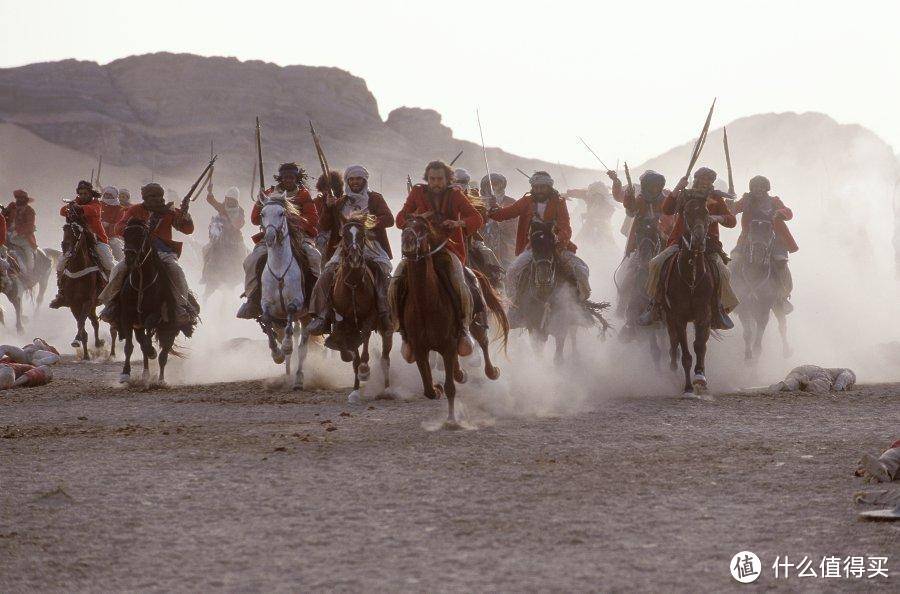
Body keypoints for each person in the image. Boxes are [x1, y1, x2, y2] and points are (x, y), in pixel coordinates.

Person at [390, 160, 483, 360]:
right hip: (420, 252)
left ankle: (464, 326)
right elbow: (399, 220)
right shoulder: (417, 193)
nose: (436, 183)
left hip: (448, 249)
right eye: (432, 179)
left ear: (447, 179)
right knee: (396, 279)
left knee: (461, 282)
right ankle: (403, 330)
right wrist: (416, 217)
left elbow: (476, 218)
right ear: (427, 179)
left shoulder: (456, 195)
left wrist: (459, 222)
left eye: (440, 179)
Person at [639, 167, 738, 329]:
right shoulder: (685, 194)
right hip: (681, 241)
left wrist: (716, 218)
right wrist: (678, 187)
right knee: (656, 263)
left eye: (709, 180)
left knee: (724, 272)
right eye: (702, 179)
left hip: (708, 245)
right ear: (696, 179)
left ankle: (718, 309)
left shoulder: (716, 198)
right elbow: (667, 209)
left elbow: (732, 221)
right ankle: (655, 303)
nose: (705, 182)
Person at [489, 171, 591, 325]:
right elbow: (507, 213)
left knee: (581, 269)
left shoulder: (559, 202)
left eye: (543, 187)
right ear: (532, 187)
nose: (539, 190)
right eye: (536, 187)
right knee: (511, 272)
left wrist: (558, 238)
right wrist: (493, 210)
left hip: (557, 247)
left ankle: (581, 306)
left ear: (549, 186)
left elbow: (566, 227)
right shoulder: (526, 201)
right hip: (534, 247)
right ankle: (515, 307)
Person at [307, 165, 394, 335]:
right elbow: (323, 225)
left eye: (358, 179)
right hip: (345, 246)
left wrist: (368, 222)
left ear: (364, 181)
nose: (355, 182)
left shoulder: (375, 198)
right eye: (352, 179)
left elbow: (389, 219)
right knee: (326, 274)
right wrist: (328, 207)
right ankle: (321, 315)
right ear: (347, 181)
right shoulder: (340, 202)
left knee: (383, 274)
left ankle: (385, 313)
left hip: (372, 245)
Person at [98, 182, 197, 324]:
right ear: (145, 198)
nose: (156, 199)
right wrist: (134, 228)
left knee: (177, 271)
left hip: (162, 251)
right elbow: (119, 227)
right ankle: (111, 303)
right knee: (118, 269)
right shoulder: (135, 209)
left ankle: (180, 307)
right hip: (139, 251)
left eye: (158, 196)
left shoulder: (169, 211)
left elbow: (187, 230)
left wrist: (185, 216)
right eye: (152, 197)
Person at [237, 162, 321, 319]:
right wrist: (260, 203)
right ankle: (253, 299)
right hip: (271, 236)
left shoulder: (303, 195)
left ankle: (316, 299)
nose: (288, 180)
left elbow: (313, 219)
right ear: (280, 178)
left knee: (314, 256)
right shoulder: (268, 193)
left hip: (299, 236)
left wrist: (291, 218)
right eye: (285, 177)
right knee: (250, 261)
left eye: (291, 177)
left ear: (296, 178)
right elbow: (255, 219)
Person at [728, 175, 798, 314]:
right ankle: (728, 295)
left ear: (766, 188)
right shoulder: (746, 200)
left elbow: (788, 213)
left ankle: (782, 296)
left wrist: (780, 213)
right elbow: (732, 211)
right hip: (748, 240)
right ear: (751, 188)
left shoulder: (774, 201)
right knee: (733, 262)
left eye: (761, 186)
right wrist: (730, 202)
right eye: (755, 186)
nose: (758, 189)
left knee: (781, 263)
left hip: (774, 240)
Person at [49, 181, 116, 309]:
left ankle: (112, 293)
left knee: (109, 263)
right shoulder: (76, 202)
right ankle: (61, 293)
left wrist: (79, 208)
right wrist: (72, 205)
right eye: (80, 193)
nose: (83, 195)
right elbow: (63, 211)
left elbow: (92, 210)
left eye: (85, 193)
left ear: (90, 193)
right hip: (77, 241)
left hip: (97, 240)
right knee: (61, 263)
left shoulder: (96, 204)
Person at [480, 173, 517, 268]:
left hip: (506, 247)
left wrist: (497, 211)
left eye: (495, 184)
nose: (492, 187)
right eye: (488, 185)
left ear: (502, 186)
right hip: (483, 243)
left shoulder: (511, 202)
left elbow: (514, 226)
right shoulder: (478, 203)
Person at [566, 180, 616, 250]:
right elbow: (578, 193)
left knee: (610, 244)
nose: (597, 198)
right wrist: (568, 194)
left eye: (599, 196)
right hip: (589, 225)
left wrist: (588, 215)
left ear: (603, 196)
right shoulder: (588, 197)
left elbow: (605, 215)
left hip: (604, 227)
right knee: (579, 241)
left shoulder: (608, 205)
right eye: (595, 196)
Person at [2, 189, 38, 274]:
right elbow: (3, 218)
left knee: (29, 253)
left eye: (21, 198)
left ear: (25, 200)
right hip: (6, 234)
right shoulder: (11, 206)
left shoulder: (30, 211)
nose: (19, 200)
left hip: (23, 238)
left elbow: (29, 226)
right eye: (18, 198)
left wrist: (17, 232)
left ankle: (29, 274)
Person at [313, 170, 344, 257]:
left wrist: (335, 206)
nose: (327, 191)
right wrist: (327, 207)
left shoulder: (344, 201)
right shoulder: (316, 202)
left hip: (341, 234)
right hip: (322, 236)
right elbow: (322, 225)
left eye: (330, 188)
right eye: (324, 188)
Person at [100, 186, 126, 261]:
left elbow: (119, 224)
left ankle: (118, 267)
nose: (107, 196)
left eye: (110, 195)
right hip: (96, 234)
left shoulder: (119, 209)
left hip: (111, 236)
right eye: (106, 194)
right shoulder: (98, 204)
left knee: (118, 250)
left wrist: (109, 225)